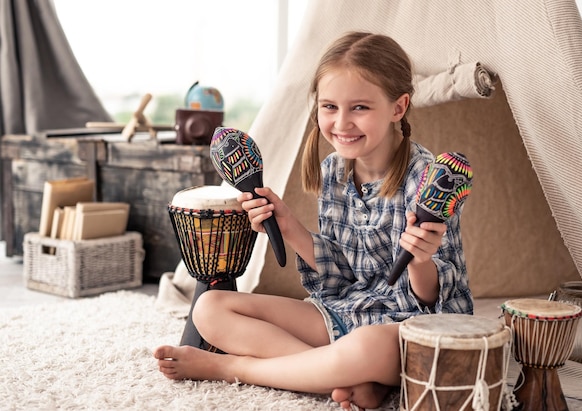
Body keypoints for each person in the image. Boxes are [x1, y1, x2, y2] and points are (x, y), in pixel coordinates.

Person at [154, 31, 473, 410]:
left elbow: (436, 303)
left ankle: (232, 367)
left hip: (408, 327)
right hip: (348, 311)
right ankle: (346, 378)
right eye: (329, 107)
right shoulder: (333, 171)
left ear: (398, 108)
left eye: (360, 108)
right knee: (211, 308)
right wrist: (286, 224)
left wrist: (420, 260)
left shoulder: (430, 182)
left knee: (365, 345)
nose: (342, 123)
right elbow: (340, 277)